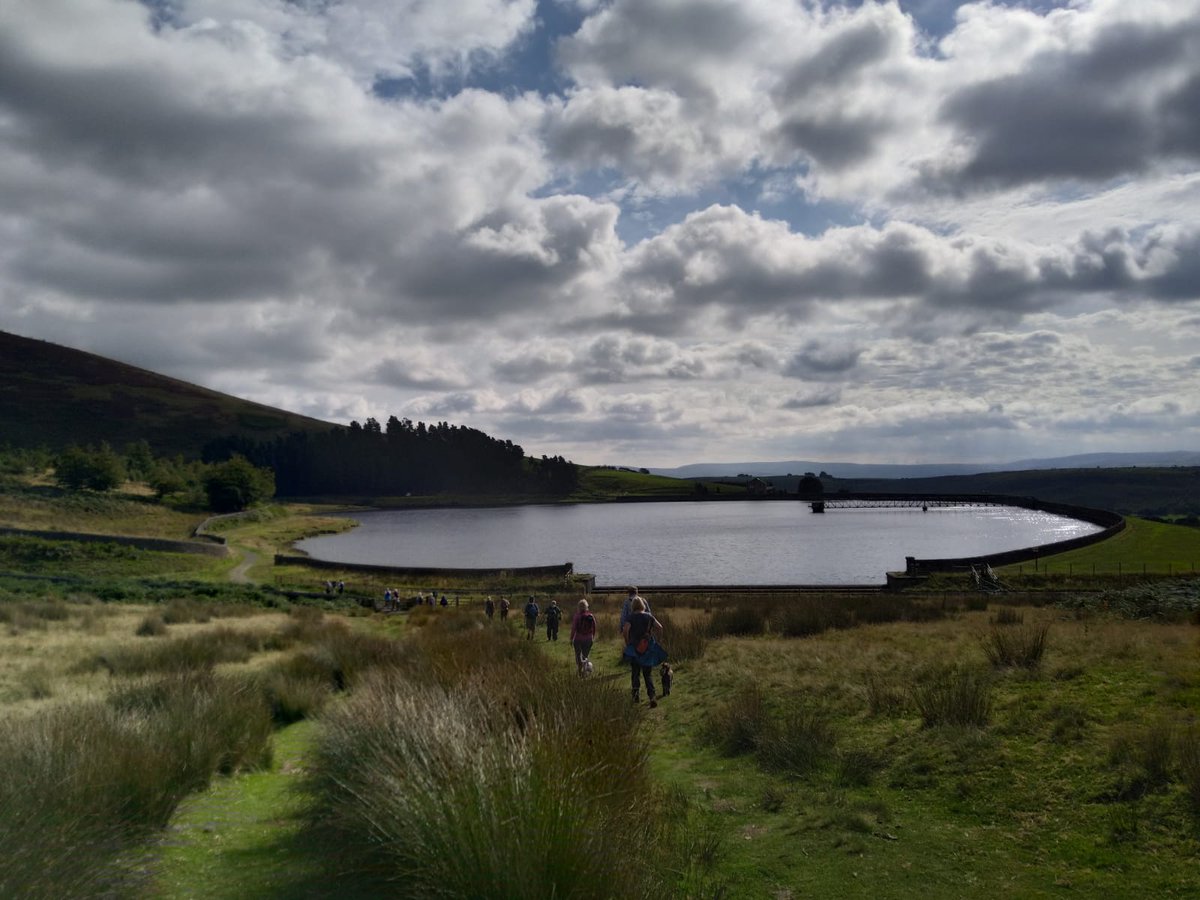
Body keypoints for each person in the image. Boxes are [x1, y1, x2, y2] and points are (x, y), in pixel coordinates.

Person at [622, 596, 664, 706]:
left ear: (633, 606)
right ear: (642, 605)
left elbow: (625, 630)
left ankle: (636, 697)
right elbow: (660, 627)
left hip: (635, 648)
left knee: (635, 673)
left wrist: (628, 642)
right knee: (647, 674)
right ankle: (652, 696)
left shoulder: (630, 617)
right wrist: (657, 642)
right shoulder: (649, 616)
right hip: (648, 647)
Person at [570, 598, 597, 677]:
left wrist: (571, 638)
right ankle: (585, 672)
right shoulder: (590, 616)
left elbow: (574, 628)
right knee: (585, 656)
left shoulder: (577, 616)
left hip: (578, 639)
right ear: (586, 607)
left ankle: (579, 670)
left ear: (578, 607)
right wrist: (592, 636)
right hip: (588, 639)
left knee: (578, 655)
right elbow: (594, 627)